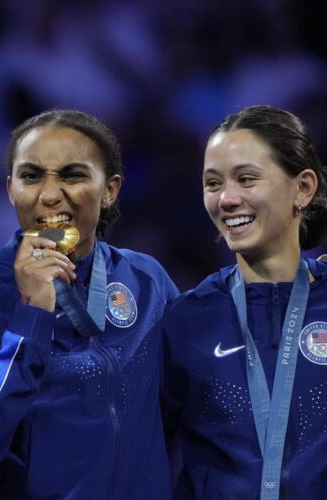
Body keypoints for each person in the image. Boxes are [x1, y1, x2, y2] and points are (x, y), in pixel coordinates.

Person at [0, 109, 178, 499]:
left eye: (73, 175)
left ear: (110, 189)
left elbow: (187, 407)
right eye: (31, 176)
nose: (50, 194)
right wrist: (30, 317)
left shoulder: (146, 280)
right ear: (10, 189)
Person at [162, 105, 327, 499]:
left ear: (303, 188)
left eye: (247, 179)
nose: (227, 199)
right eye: (213, 183)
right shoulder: (186, 320)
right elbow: (135, 453)